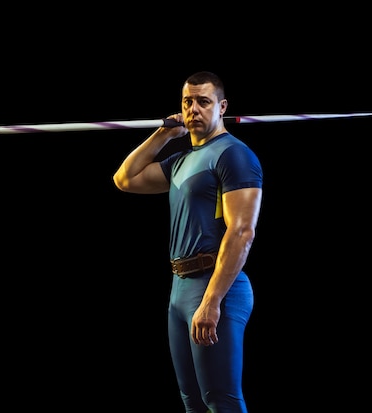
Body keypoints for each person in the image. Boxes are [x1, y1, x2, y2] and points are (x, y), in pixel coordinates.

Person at [113, 71, 263, 413]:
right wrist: (165, 133)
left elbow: (242, 232)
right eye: (187, 102)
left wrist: (212, 301)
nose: (194, 109)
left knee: (220, 401)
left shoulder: (234, 155)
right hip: (180, 289)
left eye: (203, 102)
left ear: (222, 106)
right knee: (192, 403)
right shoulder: (181, 160)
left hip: (215, 288)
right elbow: (125, 179)